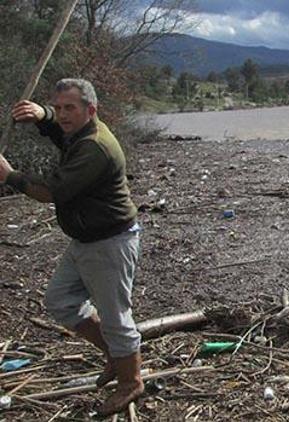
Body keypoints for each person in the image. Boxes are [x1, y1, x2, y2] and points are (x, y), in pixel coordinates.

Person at [0, 79, 143, 416]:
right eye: (59, 107)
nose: (62, 115)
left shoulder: (94, 146)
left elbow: (52, 191)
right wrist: (42, 114)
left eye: (70, 109)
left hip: (110, 242)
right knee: (60, 301)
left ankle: (131, 381)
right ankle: (115, 354)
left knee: (116, 318)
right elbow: (61, 130)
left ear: (90, 111)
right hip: (85, 239)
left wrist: (8, 175)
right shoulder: (78, 132)